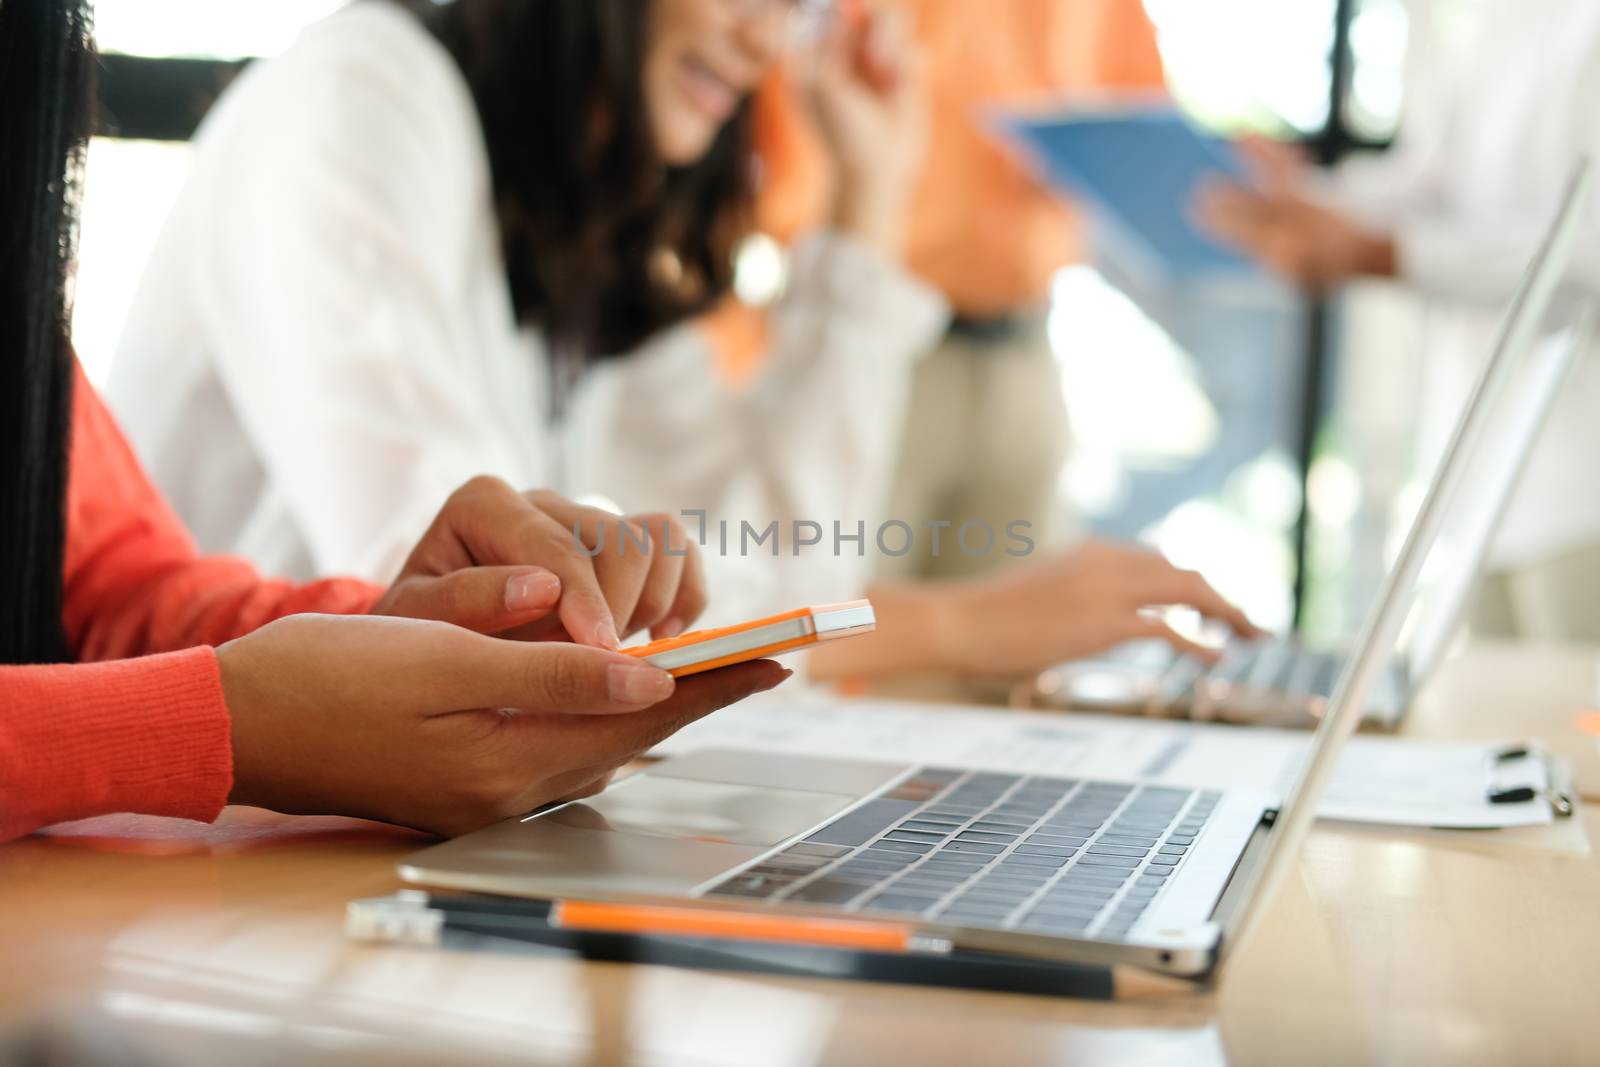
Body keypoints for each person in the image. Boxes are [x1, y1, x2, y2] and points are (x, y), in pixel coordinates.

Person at [110, 0, 1257, 684]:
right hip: (211, 852)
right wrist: (952, 622)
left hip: (354, 839)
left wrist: (872, 202)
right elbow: (470, 613)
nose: (767, 37)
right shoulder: (362, 96)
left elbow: (782, 557)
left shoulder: (577, 205)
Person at [0, 0, 785, 844]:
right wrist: (220, 721)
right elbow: (782, 560)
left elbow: (106, 588)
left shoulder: (559, 222)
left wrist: (388, 615)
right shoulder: (360, 93)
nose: (768, 39)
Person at [705, 0, 1171, 581]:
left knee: (1012, 641)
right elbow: (754, 149)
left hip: (1026, 352)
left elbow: (1143, 132)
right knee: (833, 613)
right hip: (876, 345)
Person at [1194, 0, 1600, 641]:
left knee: (1576, 728)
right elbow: (1437, 187)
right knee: (1486, 720)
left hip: (1582, 488)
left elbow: (1585, 259)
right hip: (1477, 477)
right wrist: (1308, 203)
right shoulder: (1492, 20)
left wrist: (1380, 255)